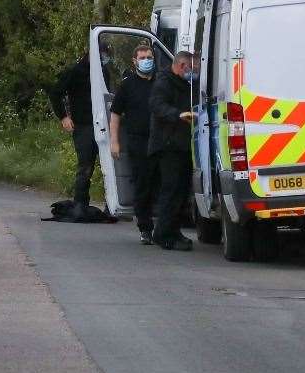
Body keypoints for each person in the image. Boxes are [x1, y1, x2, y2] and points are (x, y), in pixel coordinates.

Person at [148, 50, 198, 251]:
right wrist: (178, 114)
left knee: (181, 191)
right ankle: (163, 234)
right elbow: (157, 106)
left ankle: (174, 230)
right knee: (171, 191)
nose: (194, 73)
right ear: (182, 66)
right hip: (168, 146)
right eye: (193, 69)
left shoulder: (182, 84)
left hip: (181, 145)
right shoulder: (164, 83)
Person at [109, 42, 159, 243]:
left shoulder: (161, 82)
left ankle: (164, 227)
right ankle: (145, 228)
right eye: (142, 58)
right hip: (138, 140)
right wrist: (114, 141)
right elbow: (115, 114)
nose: (146, 61)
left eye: (149, 58)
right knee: (142, 184)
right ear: (134, 61)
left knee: (163, 183)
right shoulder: (127, 85)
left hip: (161, 140)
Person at [49, 51, 98, 216]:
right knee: (85, 165)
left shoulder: (103, 71)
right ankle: (80, 203)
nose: (104, 57)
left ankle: (111, 204)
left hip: (102, 123)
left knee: (109, 166)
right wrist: (63, 116)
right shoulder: (76, 72)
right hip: (83, 125)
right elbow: (56, 92)